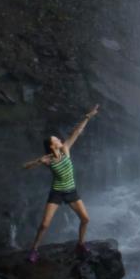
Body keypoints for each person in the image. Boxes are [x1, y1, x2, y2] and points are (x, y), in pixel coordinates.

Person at [23, 105, 100, 263]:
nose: (59, 139)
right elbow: (24, 167)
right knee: (44, 224)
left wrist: (87, 116)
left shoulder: (65, 149)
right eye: (55, 139)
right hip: (57, 192)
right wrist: (38, 161)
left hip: (71, 191)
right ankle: (34, 250)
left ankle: (80, 244)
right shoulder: (48, 160)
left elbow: (76, 132)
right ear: (52, 145)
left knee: (85, 219)